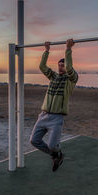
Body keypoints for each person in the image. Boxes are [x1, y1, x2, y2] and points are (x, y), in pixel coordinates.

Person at [30, 38, 78, 172]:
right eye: (59, 65)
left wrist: (68, 49)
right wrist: (46, 51)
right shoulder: (53, 77)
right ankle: (57, 156)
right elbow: (42, 67)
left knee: (52, 145)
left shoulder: (71, 79)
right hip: (43, 115)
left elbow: (69, 68)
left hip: (57, 118)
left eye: (62, 65)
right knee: (34, 141)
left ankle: (56, 153)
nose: (60, 67)